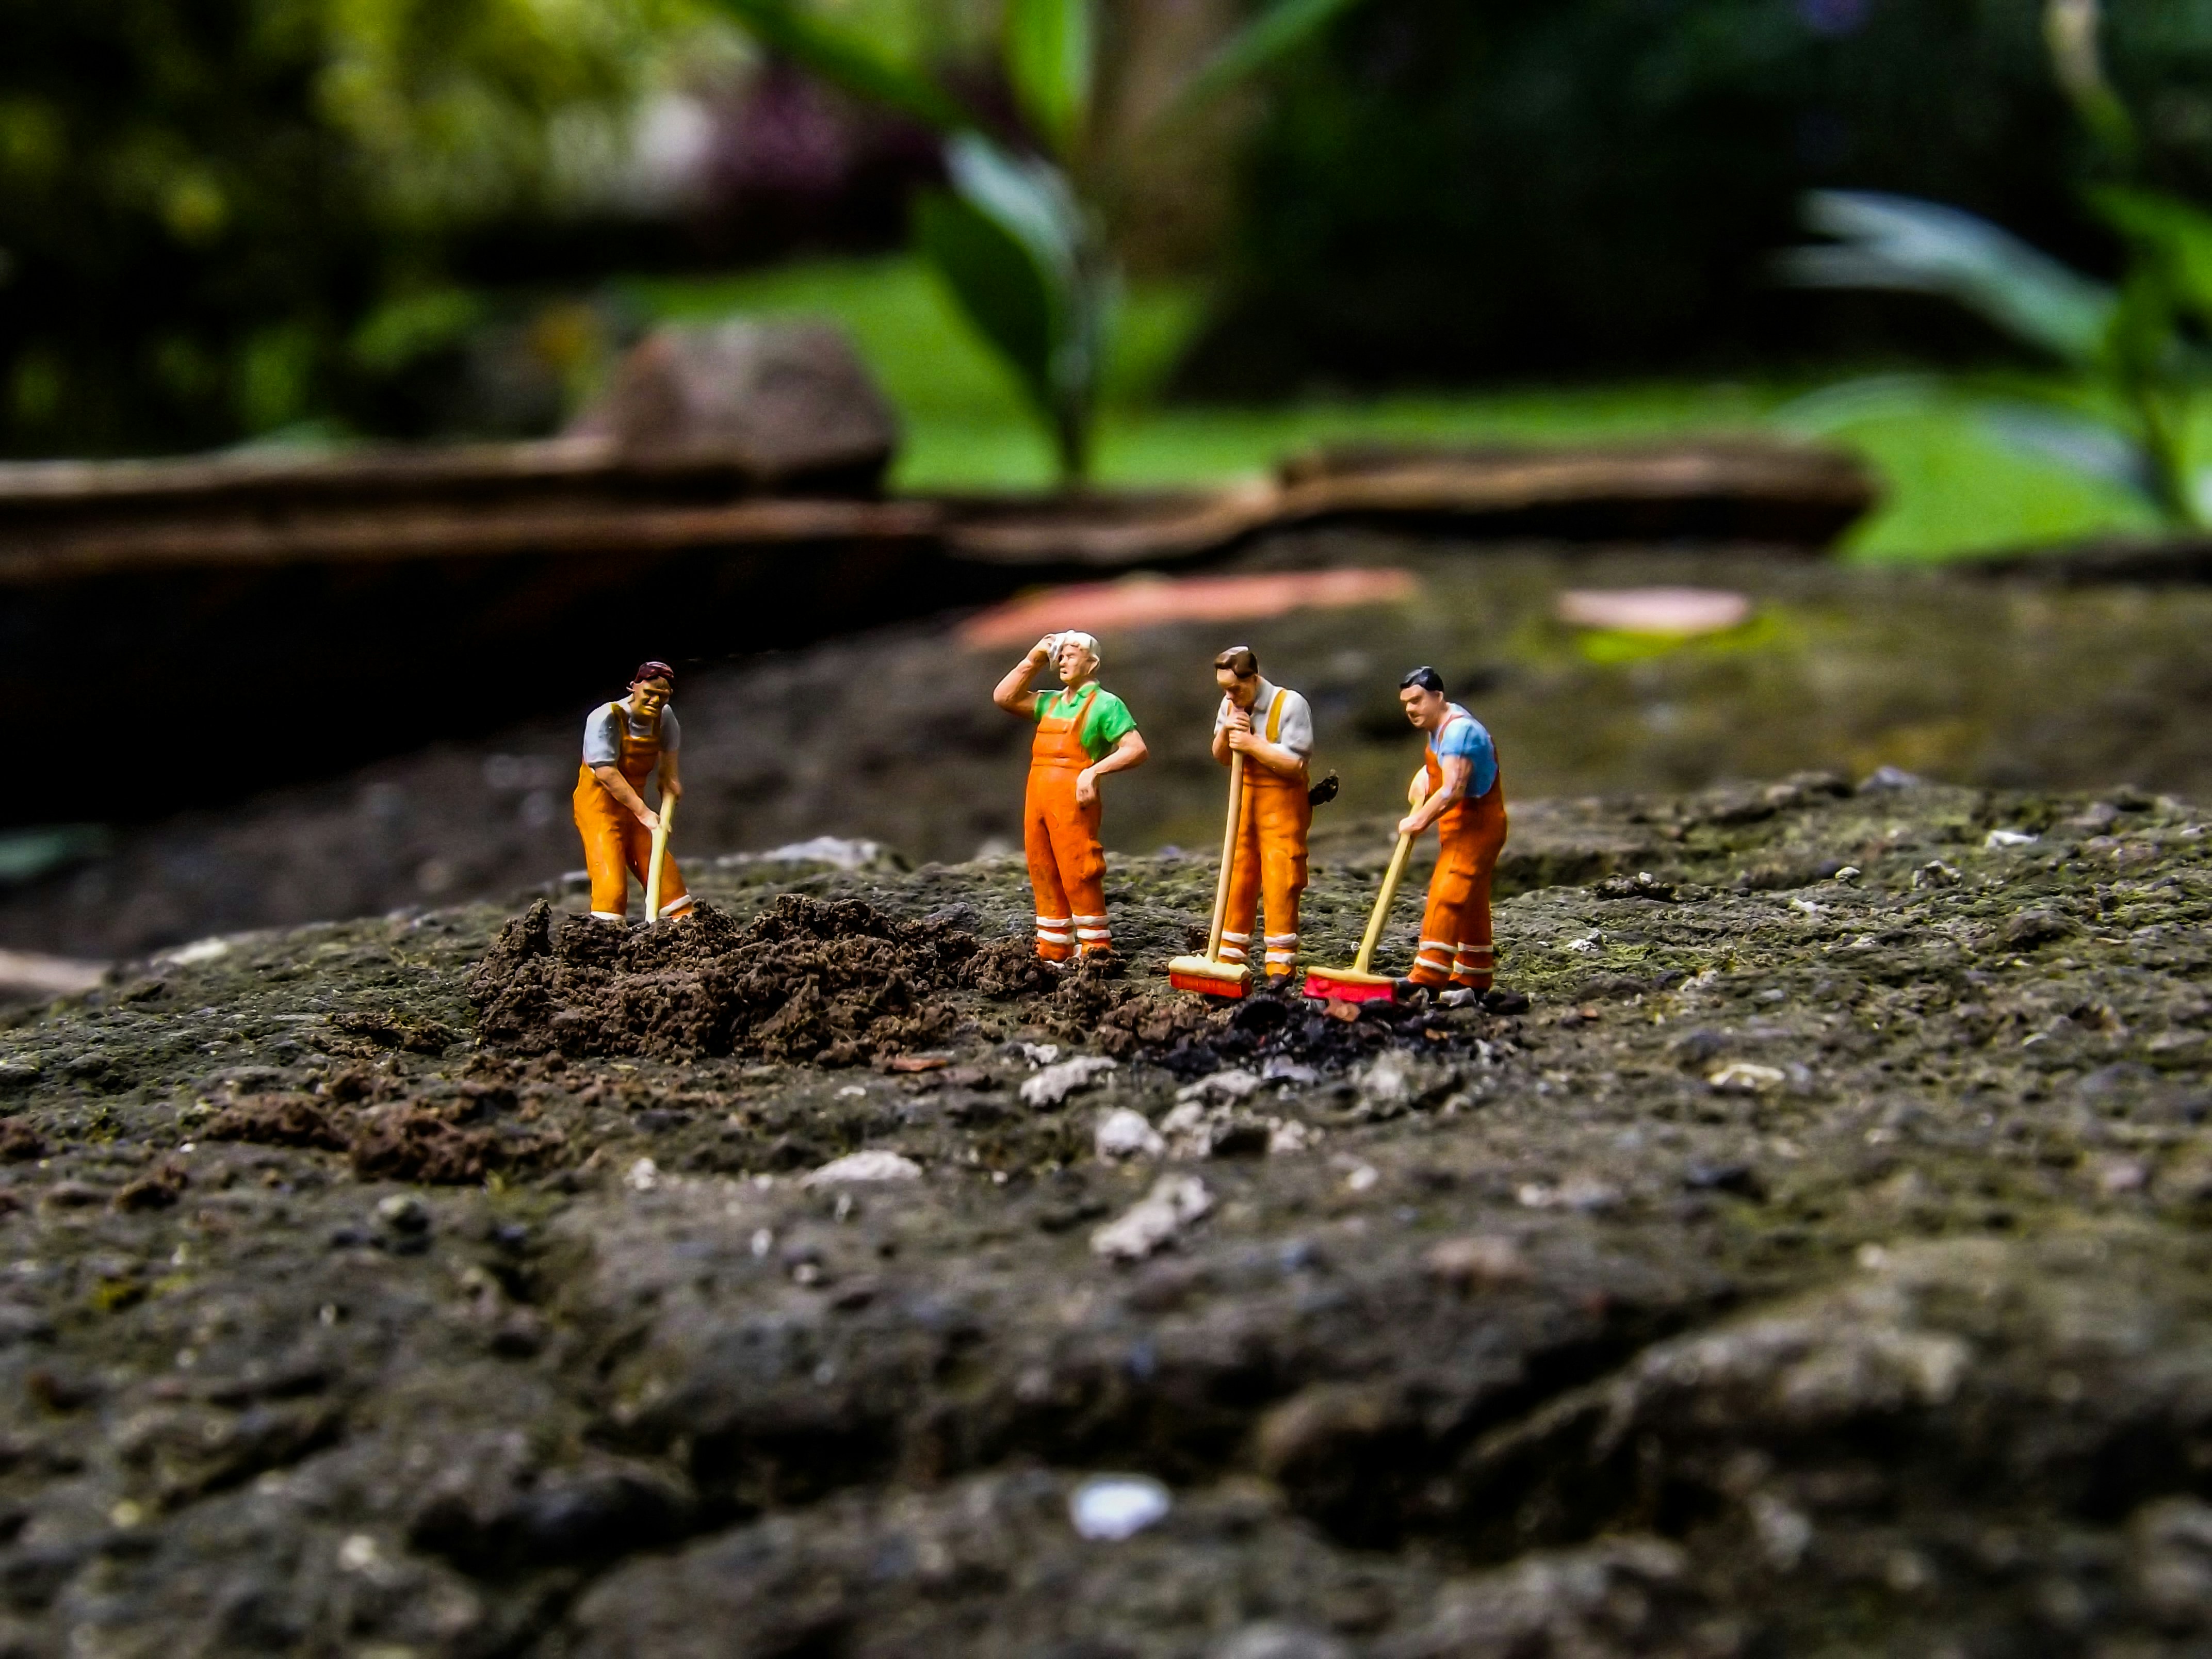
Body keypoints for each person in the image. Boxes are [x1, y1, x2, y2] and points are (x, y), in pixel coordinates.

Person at [993, 631, 1148, 961]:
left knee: (1079, 868)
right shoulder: (1049, 702)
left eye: (1072, 654)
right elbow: (1004, 697)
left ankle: (1095, 947)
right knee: (1042, 866)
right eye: (1060, 655)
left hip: (1071, 797)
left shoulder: (1105, 705)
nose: (1063, 660)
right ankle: (1054, 945)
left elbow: (1135, 749)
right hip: (1037, 793)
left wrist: (1093, 772)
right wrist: (1034, 657)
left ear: (1092, 663)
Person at [1395, 665, 1507, 994]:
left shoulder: (1460, 732)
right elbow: (1444, 771)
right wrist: (1426, 776)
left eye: (1416, 701)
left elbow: (1454, 788)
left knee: (1447, 892)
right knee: (1470, 901)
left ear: (1438, 696)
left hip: (1477, 825)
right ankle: (1474, 975)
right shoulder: (1439, 728)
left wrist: (1420, 820)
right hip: (1458, 826)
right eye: (1406, 704)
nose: (1411, 710)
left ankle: (1428, 977)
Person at [1210, 646, 1315, 980]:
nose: (1230, 695)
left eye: (1235, 688)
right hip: (1244, 804)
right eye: (1224, 689)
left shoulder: (1291, 705)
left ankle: (1280, 965)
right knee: (1237, 873)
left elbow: (1296, 764)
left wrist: (1253, 744)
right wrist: (1228, 731)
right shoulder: (1230, 704)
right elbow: (1222, 756)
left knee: (1280, 877)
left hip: (1282, 807)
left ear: (1254, 679)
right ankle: (1230, 957)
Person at [572, 660, 695, 924]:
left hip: (635, 806)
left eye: (661, 697)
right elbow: (605, 772)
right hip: (599, 808)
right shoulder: (605, 718)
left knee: (660, 868)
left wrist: (669, 779)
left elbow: (669, 755)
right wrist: (643, 813)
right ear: (634, 687)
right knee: (611, 881)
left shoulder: (664, 718)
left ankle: (683, 924)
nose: (654, 702)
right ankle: (606, 936)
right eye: (649, 694)